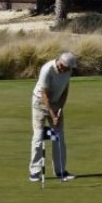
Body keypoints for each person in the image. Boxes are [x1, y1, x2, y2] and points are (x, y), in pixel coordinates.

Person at [30, 51, 77, 182]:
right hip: (40, 102)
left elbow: (65, 90)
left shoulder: (68, 71)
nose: (64, 70)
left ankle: (60, 170)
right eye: (63, 66)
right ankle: (34, 172)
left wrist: (60, 110)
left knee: (59, 137)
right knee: (38, 137)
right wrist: (52, 114)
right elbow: (44, 95)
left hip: (56, 103)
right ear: (59, 62)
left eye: (67, 68)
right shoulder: (47, 70)